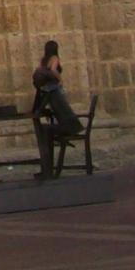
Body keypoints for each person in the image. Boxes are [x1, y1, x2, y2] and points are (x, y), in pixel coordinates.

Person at [31, 39, 83, 178]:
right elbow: (53, 70)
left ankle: (47, 168)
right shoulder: (54, 58)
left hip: (57, 108)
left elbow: (39, 71)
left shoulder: (43, 61)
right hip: (67, 123)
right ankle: (47, 168)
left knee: (45, 130)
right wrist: (60, 79)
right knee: (46, 131)